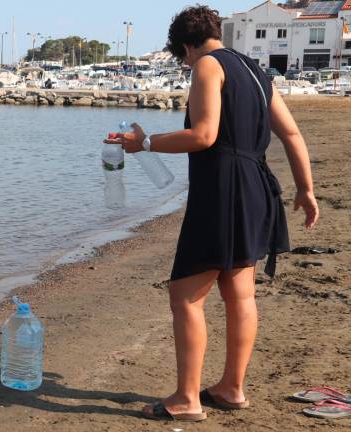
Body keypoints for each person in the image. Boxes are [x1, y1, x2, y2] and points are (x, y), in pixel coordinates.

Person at [105, 5, 319, 421]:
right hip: (257, 185)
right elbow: (291, 132)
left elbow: (204, 135)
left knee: (185, 294)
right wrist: (306, 190)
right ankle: (231, 389)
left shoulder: (206, 66)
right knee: (240, 293)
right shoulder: (257, 71)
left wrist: (144, 144)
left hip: (223, 188)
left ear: (186, 45)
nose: (185, 64)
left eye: (182, 57)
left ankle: (187, 399)